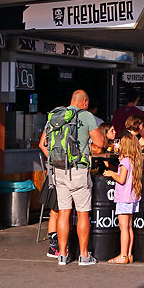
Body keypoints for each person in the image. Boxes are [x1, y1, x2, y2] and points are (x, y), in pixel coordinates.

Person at [51, 89, 104, 266]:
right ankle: (83, 255)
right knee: (82, 213)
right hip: (79, 170)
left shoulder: (56, 115)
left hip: (59, 169)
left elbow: (44, 142)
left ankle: (63, 255)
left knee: (64, 213)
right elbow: (100, 143)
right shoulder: (87, 116)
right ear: (85, 102)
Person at [103, 132, 143, 264]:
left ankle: (123, 255)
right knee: (129, 226)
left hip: (123, 198)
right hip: (132, 197)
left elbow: (121, 180)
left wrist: (111, 173)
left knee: (123, 227)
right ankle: (129, 254)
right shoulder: (134, 160)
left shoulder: (125, 162)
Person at [37, 122, 61, 258]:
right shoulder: (71, 123)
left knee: (54, 210)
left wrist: (52, 159)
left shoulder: (50, 123)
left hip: (53, 172)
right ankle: (56, 246)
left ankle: (54, 245)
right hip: (62, 172)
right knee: (58, 210)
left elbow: (41, 144)